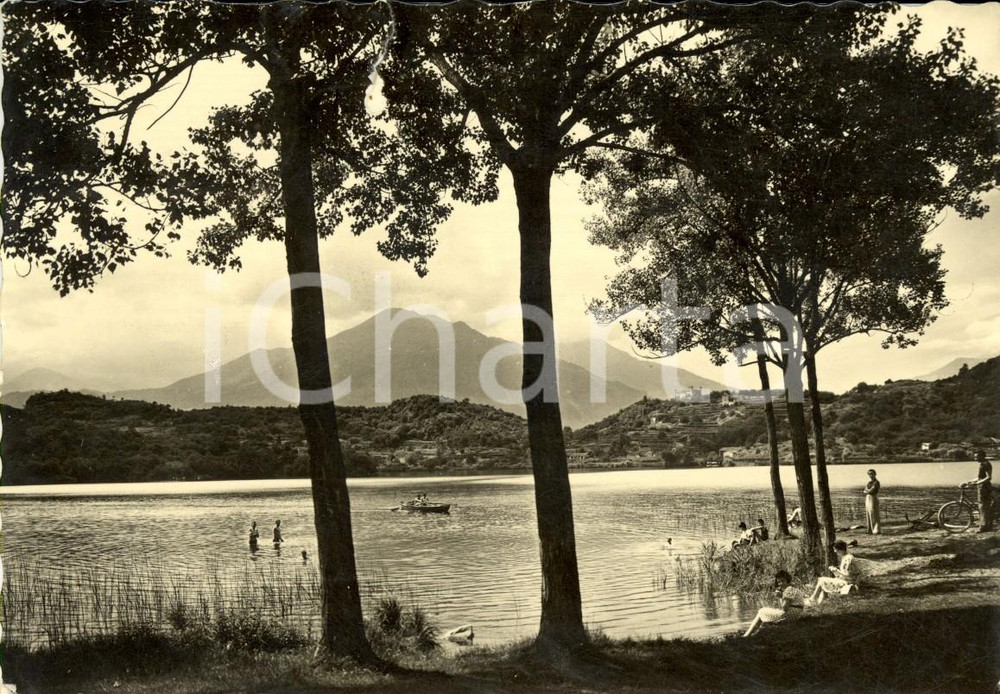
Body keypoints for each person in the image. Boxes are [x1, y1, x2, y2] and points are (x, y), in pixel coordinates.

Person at [743, 570, 807, 637]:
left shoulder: (788, 589)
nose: (781, 584)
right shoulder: (794, 588)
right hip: (796, 614)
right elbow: (783, 607)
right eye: (779, 582)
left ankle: (746, 635)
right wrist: (781, 596)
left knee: (761, 611)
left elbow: (784, 608)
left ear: (787, 580)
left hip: (790, 615)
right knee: (765, 612)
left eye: (783, 581)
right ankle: (755, 632)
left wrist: (781, 596)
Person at [807, 540, 860, 605]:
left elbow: (848, 575)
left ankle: (812, 599)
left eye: (835, 549)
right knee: (824, 583)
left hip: (848, 583)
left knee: (821, 580)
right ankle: (820, 604)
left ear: (840, 549)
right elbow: (845, 574)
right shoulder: (845, 557)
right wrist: (835, 571)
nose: (835, 551)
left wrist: (837, 571)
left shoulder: (848, 559)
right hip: (845, 580)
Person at [965, 450, 993, 532]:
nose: (975, 458)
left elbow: (988, 477)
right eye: (975, 456)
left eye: (976, 457)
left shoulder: (986, 464)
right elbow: (979, 477)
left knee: (983, 507)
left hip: (985, 487)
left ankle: (983, 527)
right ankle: (984, 524)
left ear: (982, 456)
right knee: (982, 506)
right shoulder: (982, 464)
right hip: (981, 486)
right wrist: (969, 482)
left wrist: (977, 483)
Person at [864, 469, 881, 535]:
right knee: (868, 513)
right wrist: (867, 491)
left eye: (871, 474)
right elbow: (864, 490)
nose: (870, 475)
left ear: (875, 474)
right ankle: (870, 530)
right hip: (867, 498)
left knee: (874, 513)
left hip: (873, 498)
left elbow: (871, 491)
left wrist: (867, 491)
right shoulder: (869, 482)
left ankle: (876, 530)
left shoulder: (876, 482)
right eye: (869, 474)